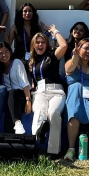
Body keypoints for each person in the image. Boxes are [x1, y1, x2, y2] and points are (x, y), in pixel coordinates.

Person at [63, 38, 89, 162]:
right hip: (75, 94)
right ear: (79, 49)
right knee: (74, 114)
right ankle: (71, 150)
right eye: (86, 48)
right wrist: (75, 57)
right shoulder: (70, 62)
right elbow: (69, 69)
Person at [29, 26, 68, 159]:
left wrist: (54, 31)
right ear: (33, 45)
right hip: (39, 92)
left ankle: (53, 151)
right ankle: (36, 140)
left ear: (46, 44)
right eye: (37, 42)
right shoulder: (31, 61)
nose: (40, 45)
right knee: (40, 110)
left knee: (53, 113)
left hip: (56, 91)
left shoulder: (52, 56)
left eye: (43, 42)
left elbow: (63, 45)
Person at [0, 42, 32, 134]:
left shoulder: (17, 62)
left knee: (12, 92)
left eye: (6, 51)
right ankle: (9, 142)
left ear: (11, 52)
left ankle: (17, 123)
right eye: (0, 53)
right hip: (9, 99)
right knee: (8, 97)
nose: (4, 55)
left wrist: (28, 100)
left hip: (20, 96)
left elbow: (24, 83)